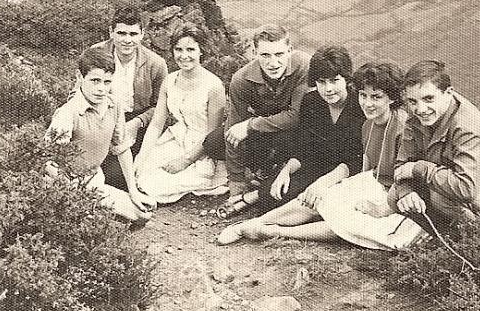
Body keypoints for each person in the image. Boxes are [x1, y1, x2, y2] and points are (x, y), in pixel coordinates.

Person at [217, 61, 426, 248]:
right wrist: (344, 189)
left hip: (399, 196)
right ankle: (253, 224)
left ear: (392, 98)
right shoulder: (369, 124)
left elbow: (409, 179)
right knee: (322, 198)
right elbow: (366, 165)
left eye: (376, 97)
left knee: (350, 222)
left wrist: (381, 207)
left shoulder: (402, 128)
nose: (367, 103)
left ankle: (271, 231)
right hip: (375, 182)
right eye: (363, 96)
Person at [366, 60, 480, 228]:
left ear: (448, 92)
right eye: (413, 101)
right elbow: (402, 165)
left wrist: (419, 168)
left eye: (429, 99)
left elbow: (466, 189)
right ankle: (446, 238)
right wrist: (407, 192)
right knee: (396, 195)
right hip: (457, 184)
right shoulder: (417, 116)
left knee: (440, 195)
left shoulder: (469, 127)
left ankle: (477, 238)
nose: (421, 109)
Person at [216, 46, 364, 220]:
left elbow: (357, 159)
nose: (328, 89)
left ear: (346, 79)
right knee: (276, 195)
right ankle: (260, 192)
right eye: (321, 82)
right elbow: (305, 147)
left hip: (348, 171)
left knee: (309, 201)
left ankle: (251, 198)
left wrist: (324, 182)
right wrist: (286, 171)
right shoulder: (312, 102)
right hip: (317, 164)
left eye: (334, 81)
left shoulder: (359, 105)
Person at [44, 48, 155, 223]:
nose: (101, 89)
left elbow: (121, 148)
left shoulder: (114, 105)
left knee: (144, 213)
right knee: (90, 221)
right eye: (95, 81)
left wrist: (133, 191)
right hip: (67, 184)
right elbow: (48, 162)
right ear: (80, 77)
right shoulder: (67, 113)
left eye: (107, 82)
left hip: (95, 179)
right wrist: (72, 192)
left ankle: (102, 212)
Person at [202, 24, 310, 201]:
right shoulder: (241, 79)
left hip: (296, 131)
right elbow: (233, 127)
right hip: (265, 131)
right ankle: (261, 169)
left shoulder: (303, 65)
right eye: (265, 55)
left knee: (289, 140)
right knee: (213, 142)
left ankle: (279, 170)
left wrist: (250, 125)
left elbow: (295, 116)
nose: (273, 63)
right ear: (254, 53)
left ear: (290, 50)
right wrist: (236, 180)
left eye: (279, 54)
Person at [70, 6, 168, 191]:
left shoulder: (156, 64)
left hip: (135, 121)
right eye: (121, 33)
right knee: (81, 164)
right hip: (98, 115)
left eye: (133, 34)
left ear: (142, 34)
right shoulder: (95, 53)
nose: (127, 40)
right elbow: (77, 93)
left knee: (119, 174)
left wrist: (137, 123)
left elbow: (161, 108)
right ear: (111, 32)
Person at [134, 27, 228, 203]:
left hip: (201, 148)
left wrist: (185, 161)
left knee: (154, 186)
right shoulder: (169, 80)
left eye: (190, 49)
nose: (184, 56)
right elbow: (156, 124)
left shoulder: (213, 86)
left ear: (201, 51)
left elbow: (212, 136)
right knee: (138, 174)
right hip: (176, 138)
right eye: (178, 49)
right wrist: (142, 156)